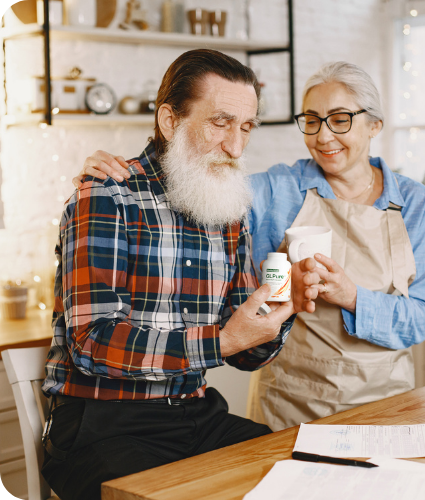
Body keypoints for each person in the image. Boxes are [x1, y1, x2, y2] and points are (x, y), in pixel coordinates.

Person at [74, 61, 425, 433]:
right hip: (294, 399)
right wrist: (108, 171)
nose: (323, 135)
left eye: (340, 119)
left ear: (374, 125)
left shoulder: (412, 201)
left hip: (387, 397)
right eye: (312, 121)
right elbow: (198, 180)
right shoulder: (278, 189)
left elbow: (423, 317)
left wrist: (351, 296)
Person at [41, 49, 321, 500]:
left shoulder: (228, 209)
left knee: (302, 478)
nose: (235, 147)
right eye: (220, 122)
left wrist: (281, 308)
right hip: (102, 426)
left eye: (246, 127)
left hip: (195, 414)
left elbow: (247, 353)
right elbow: (91, 341)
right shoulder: (107, 196)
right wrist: (222, 341)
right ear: (170, 120)